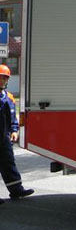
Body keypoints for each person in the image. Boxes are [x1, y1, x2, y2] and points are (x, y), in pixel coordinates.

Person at [0, 64, 33, 204]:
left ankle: (16, 190)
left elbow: (12, 116)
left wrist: (14, 130)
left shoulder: (9, 97)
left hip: (4, 138)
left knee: (9, 163)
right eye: (0, 78)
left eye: (5, 78)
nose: (2, 80)